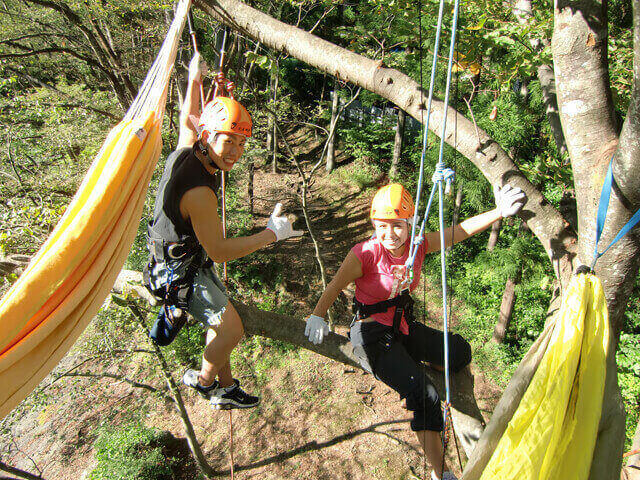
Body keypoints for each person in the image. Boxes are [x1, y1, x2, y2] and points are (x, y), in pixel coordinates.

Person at [303, 182, 525, 480]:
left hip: (402, 328)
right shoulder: (365, 253)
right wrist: (318, 316)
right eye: (381, 226)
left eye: (396, 226)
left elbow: (457, 233)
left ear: (409, 224)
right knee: (427, 396)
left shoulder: (417, 246)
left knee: (459, 351)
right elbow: (335, 285)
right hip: (371, 336)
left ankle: (414, 365)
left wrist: (497, 212)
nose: (389, 234)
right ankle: (440, 473)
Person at [146, 53, 302, 409]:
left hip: (178, 259)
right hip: (178, 273)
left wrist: (194, 80)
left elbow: (189, 121)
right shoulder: (200, 193)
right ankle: (202, 382)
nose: (236, 151)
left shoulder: (190, 149)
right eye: (228, 140)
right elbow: (218, 251)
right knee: (232, 329)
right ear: (209, 135)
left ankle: (226, 386)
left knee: (223, 323)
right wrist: (270, 235)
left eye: (241, 142)